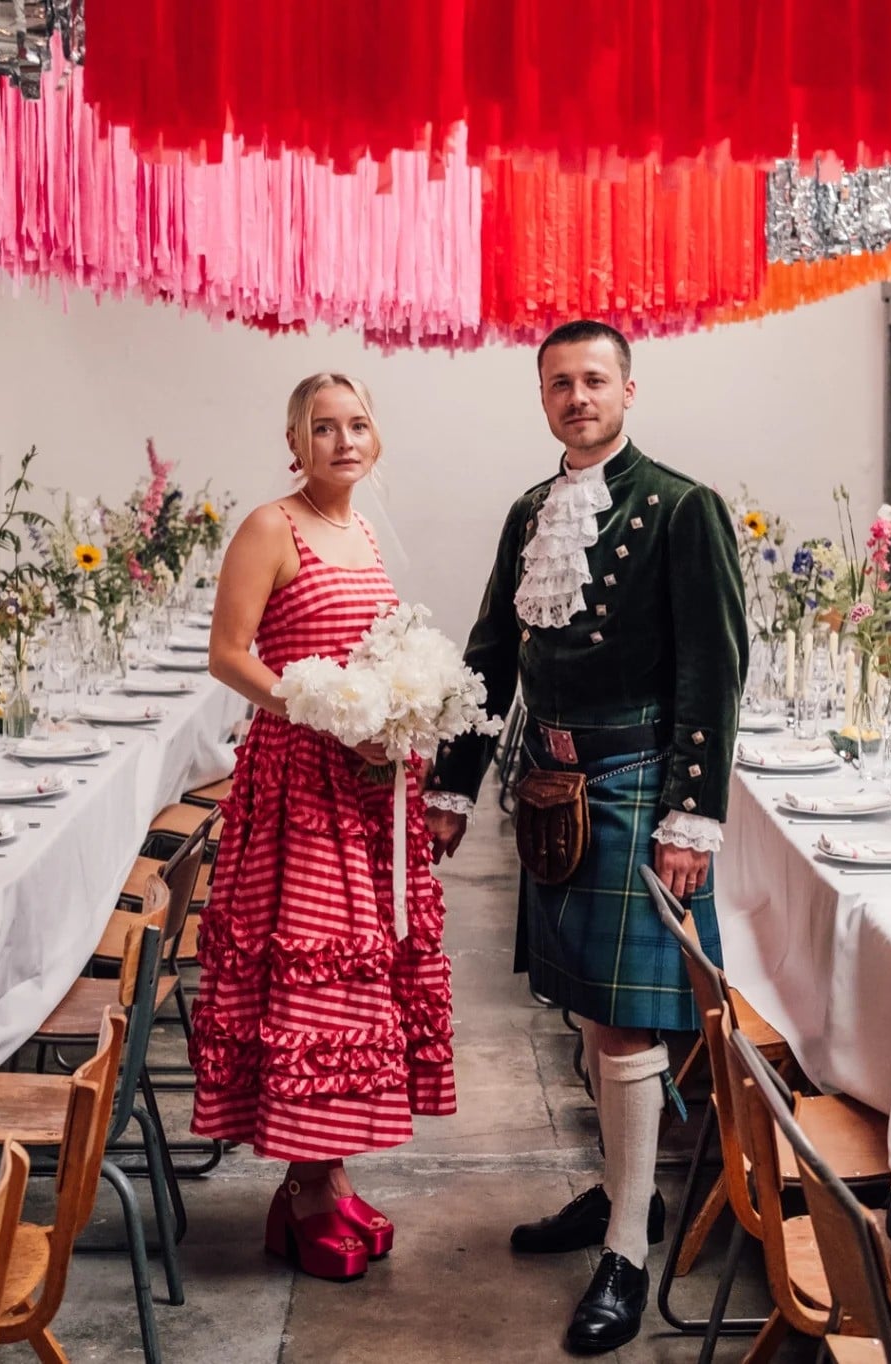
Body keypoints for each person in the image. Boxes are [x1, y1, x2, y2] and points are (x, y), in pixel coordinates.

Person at [424, 320, 746, 1352]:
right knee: (581, 1007)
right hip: (551, 780)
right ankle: (623, 1192)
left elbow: (711, 665)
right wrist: (453, 786)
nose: (576, 396)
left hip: (636, 783)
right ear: (542, 395)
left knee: (623, 1027)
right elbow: (488, 656)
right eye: (558, 382)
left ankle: (626, 1250)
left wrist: (689, 813)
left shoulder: (679, 507)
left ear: (627, 389)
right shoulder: (530, 509)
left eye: (593, 380)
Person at [188, 372, 457, 1283]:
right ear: (294, 445)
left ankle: (327, 1175)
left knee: (359, 977)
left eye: (358, 425)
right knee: (313, 977)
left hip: (365, 784)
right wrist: (321, 708)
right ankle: (304, 1190)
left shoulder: (364, 530)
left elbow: (373, 655)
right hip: (299, 783)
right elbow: (229, 654)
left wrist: (393, 719)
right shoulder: (273, 525)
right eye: (322, 428)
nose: (344, 441)